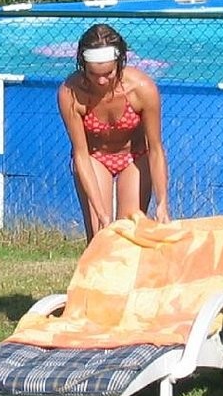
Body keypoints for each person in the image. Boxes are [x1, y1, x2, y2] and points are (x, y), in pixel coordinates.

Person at [57, 23, 170, 240]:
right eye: (93, 74)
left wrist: (162, 202)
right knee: (100, 236)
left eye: (108, 73)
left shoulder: (142, 89)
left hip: (135, 157)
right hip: (95, 157)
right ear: (82, 65)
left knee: (129, 235)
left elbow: (155, 149)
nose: (101, 81)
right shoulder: (70, 94)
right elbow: (81, 154)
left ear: (120, 62)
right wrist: (101, 213)